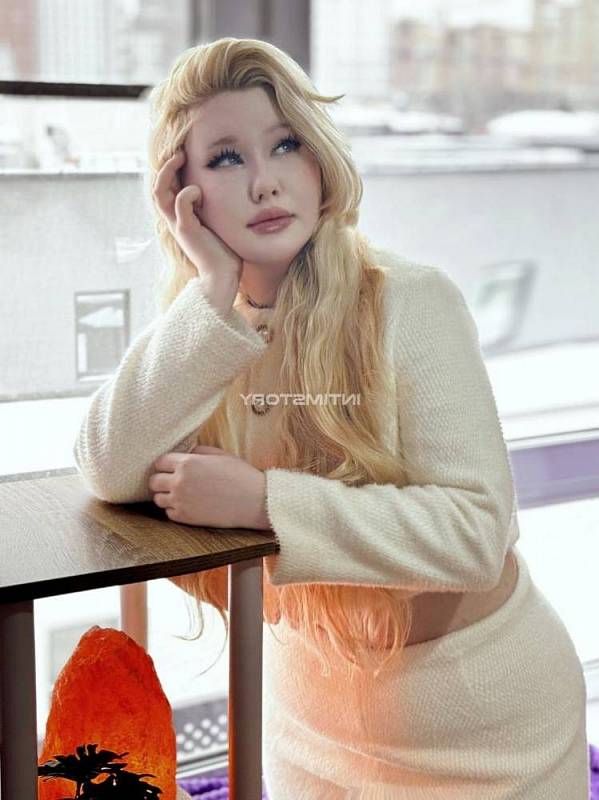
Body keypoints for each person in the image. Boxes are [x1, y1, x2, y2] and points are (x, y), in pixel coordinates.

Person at [73, 37, 590, 799]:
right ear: (182, 193)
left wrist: (262, 502)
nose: (264, 181)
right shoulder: (204, 328)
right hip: (306, 716)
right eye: (225, 158)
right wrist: (211, 286)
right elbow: (107, 465)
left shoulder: (408, 299)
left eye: (284, 144)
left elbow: (476, 532)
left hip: (478, 725)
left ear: (318, 160)